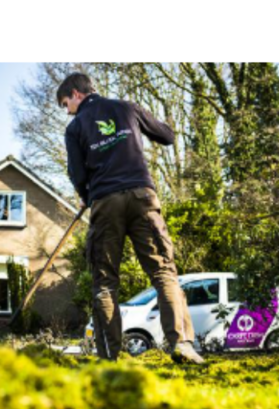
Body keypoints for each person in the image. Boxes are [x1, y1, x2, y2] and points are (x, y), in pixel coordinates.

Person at [57, 72, 205, 365]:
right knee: (163, 271)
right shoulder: (128, 108)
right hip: (142, 197)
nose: (67, 112)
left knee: (104, 283)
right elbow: (166, 136)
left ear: (76, 93)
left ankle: (109, 356)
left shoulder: (75, 129)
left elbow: (77, 174)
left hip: (104, 202)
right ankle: (182, 345)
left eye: (65, 104)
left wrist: (86, 194)